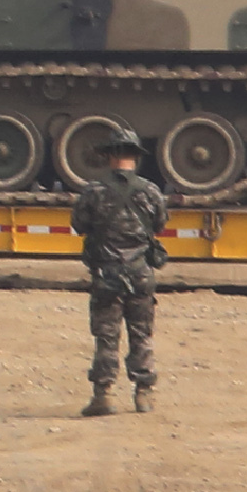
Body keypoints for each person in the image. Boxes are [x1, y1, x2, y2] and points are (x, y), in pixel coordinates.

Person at [70, 128, 170, 414]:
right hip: (140, 273)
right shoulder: (150, 191)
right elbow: (160, 224)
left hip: (107, 274)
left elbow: (80, 225)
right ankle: (143, 394)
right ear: (136, 158)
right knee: (141, 335)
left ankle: (103, 395)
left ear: (111, 156)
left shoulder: (94, 191)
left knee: (106, 336)